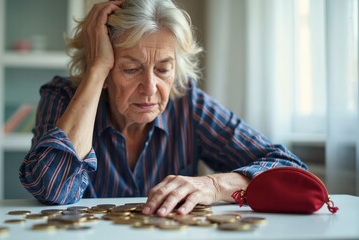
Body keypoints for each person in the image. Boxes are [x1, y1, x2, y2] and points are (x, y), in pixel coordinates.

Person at [19, 0, 307, 217]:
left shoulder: (188, 104)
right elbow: (51, 188)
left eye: (163, 69)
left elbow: (291, 171)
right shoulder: (63, 97)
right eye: (131, 69)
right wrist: (97, 71)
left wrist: (213, 185)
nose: (150, 87)